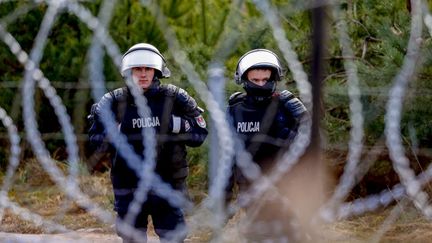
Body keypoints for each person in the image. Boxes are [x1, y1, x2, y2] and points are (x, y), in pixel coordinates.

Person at [88, 43, 208, 243]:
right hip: (128, 188)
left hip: (168, 186)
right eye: (137, 69)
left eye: (148, 69)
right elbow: (94, 142)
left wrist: (175, 124)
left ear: (157, 71)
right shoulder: (113, 102)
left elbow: (200, 135)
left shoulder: (175, 98)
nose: (143, 74)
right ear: (129, 71)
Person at [225, 49, 308, 242]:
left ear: (274, 78)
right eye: (256, 80)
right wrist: (223, 200)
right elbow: (226, 156)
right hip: (250, 187)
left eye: (266, 80)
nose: (261, 85)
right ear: (244, 79)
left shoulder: (286, 105)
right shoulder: (235, 110)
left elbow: (314, 140)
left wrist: (287, 136)